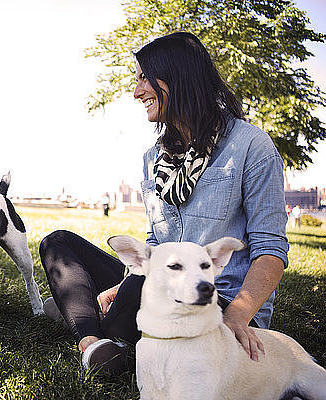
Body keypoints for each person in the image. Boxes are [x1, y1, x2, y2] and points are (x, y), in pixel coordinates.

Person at [39, 32, 288, 375]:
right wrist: (121, 285)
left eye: (144, 77)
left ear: (177, 76)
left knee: (142, 287)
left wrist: (237, 315)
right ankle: (94, 343)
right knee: (58, 243)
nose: (137, 90)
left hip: (214, 299)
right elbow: (155, 242)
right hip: (158, 286)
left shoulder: (251, 148)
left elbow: (270, 250)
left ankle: (85, 318)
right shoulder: (153, 158)